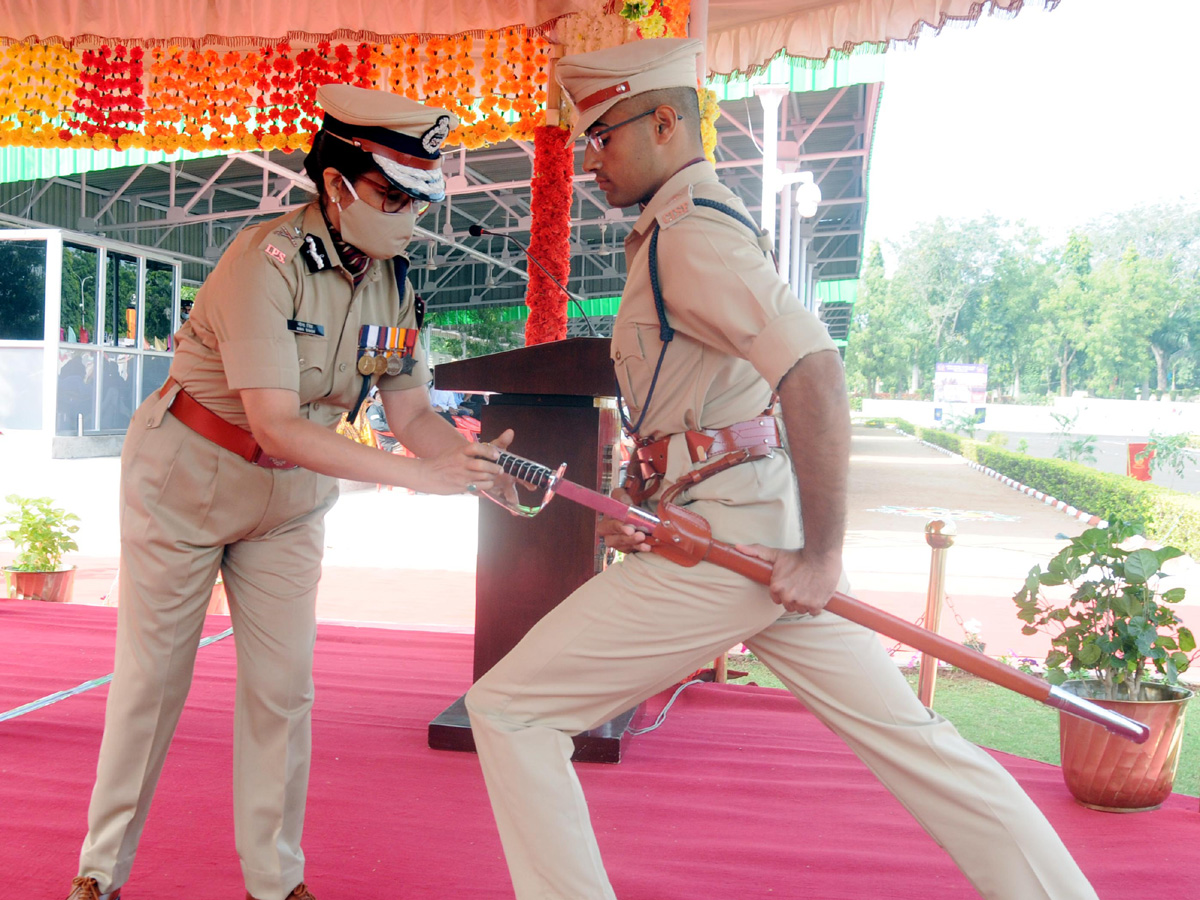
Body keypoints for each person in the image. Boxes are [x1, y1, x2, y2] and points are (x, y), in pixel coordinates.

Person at [464, 38, 1099, 900]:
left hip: (729, 547)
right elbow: (711, 403)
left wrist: (824, 555)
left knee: (512, 711)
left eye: (604, 136)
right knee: (921, 750)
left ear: (662, 123)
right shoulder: (683, 229)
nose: (592, 160)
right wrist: (644, 489)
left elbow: (814, 369)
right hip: (740, 526)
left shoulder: (688, 235)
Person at [67, 84, 509, 900]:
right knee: (152, 685)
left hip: (289, 505)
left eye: (421, 197)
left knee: (284, 689)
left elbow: (409, 408)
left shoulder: (397, 287)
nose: (410, 213)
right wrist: (419, 477)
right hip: (187, 481)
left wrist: (471, 465)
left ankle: (275, 883)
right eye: (393, 193)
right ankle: (100, 873)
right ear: (337, 186)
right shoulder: (262, 261)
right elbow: (273, 422)